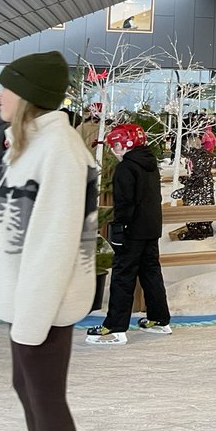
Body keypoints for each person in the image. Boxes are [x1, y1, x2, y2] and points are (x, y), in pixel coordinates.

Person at [0, 52, 97, 431]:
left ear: (28, 96)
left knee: (44, 396)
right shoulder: (28, 146)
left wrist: (33, 315)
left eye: (7, 87)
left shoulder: (60, 150)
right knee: (28, 388)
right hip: (25, 298)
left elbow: (55, 244)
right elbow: (9, 237)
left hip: (45, 300)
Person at [87, 123, 172, 345]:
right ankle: (159, 319)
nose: (114, 150)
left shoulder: (126, 168)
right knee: (150, 272)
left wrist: (119, 228)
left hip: (132, 230)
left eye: (116, 145)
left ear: (126, 144)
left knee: (123, 276)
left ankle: (115, 327)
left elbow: (125, 202)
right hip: (150, 228)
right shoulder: (149, 164)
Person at [171, 132, 215, 240]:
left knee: (193, 214)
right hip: (206, 194)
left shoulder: (197, 158)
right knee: (204, 213)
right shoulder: (205, 157)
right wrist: (186, 181)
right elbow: (199, 177)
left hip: (197, 199)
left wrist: (182, 191)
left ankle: (197, 233)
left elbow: (196, 182)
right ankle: (205, 229)